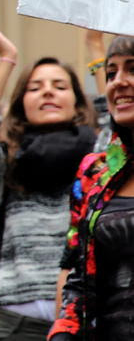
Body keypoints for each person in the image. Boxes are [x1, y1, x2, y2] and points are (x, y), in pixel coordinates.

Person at [0, 10, 95, 341]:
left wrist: (95, 48)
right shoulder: (6, 163)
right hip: (16, 322)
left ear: (77, 101)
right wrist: (7, 59)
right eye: (36, 87)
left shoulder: (100, 160)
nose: (48, 92)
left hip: (84, 318)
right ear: (22, 104)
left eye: (59, 85)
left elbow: (113, 110)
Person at [49, 35, 134, 340]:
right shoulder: (95, 170)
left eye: (132, 69)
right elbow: (77, 277)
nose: (117, 83)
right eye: (111, 74)